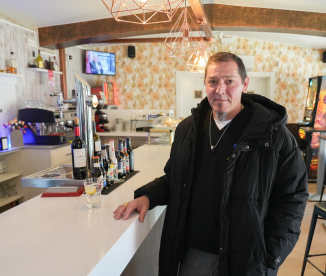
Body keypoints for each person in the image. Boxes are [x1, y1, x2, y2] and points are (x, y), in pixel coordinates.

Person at [113, 52, 308, 276]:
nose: (220, 89)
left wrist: (271, 255)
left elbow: (293, 197)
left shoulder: (274, 135)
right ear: (205, 84)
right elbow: (175, 178)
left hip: (247, 258)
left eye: (229, 81)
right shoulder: (188, 129)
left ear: (244, 84)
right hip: (195, 253)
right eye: (213, 81)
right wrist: (148, 196)